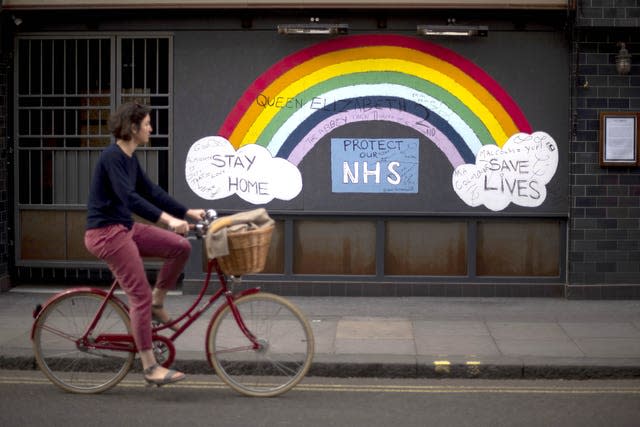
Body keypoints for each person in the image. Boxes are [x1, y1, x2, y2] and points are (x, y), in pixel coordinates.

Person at [84, 102, 204, 386]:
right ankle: (150, 367)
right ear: (133, 127)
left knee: (180, 246)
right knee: (138, 296)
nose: (151, 128)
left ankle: (158, 302)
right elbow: (129, 198)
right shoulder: (111, 157)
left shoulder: (129, 158)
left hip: (123, 228)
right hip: (105, 234)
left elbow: (151, 191)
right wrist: (167, 220)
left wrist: (186, 212)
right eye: (148, 123)